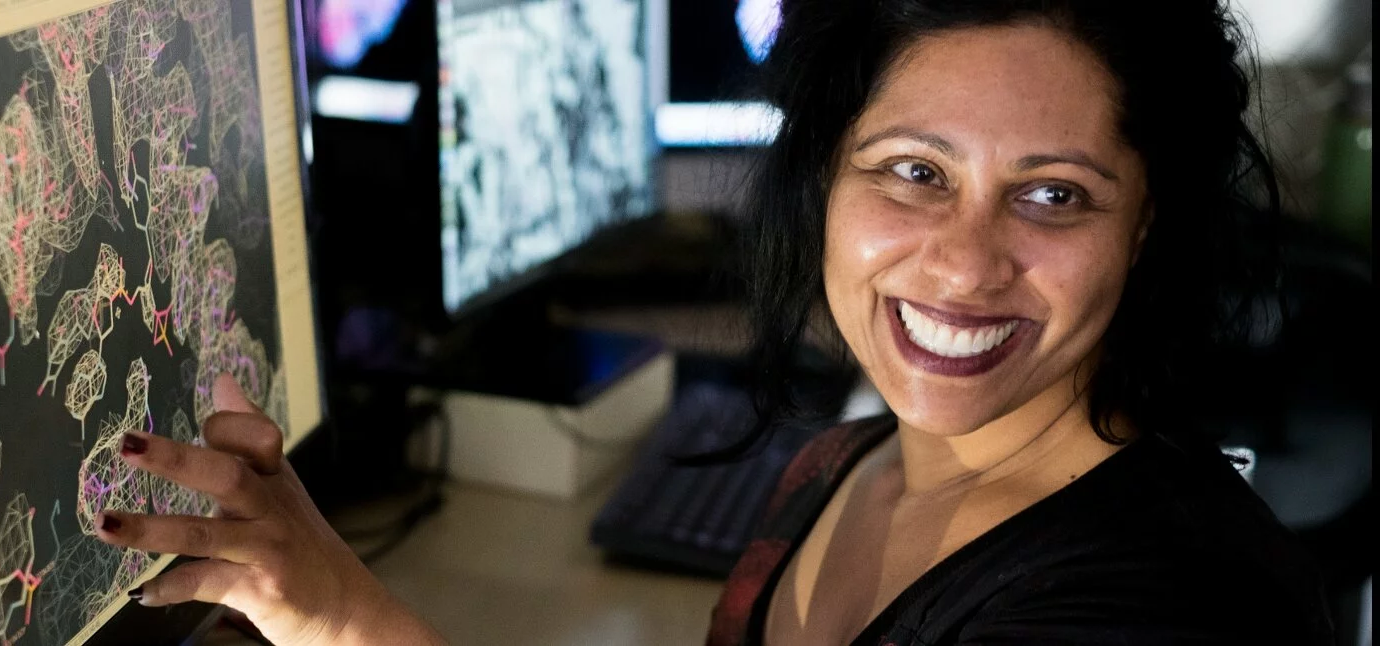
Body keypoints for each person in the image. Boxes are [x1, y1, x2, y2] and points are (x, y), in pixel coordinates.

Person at [92, 0, 1336, 643]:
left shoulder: (1159, 610)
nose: (962, 262)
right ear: (825, 178)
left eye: (1053, 194)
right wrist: (338, 608)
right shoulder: (838, 469)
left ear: (1150, 227)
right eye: (913, 170)